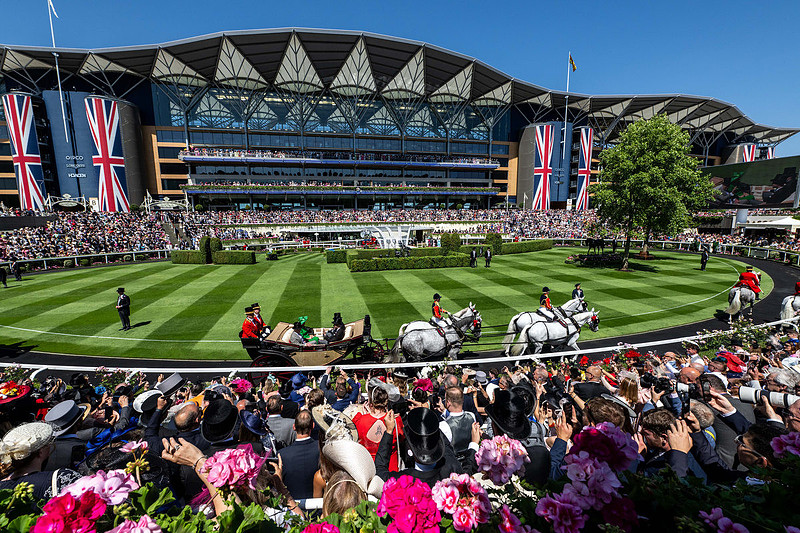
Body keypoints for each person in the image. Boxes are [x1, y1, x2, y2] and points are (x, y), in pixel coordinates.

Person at [277, 411, 319, 500]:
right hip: (318, 506)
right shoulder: (321, 449)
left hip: (292, 506)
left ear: (294, 427)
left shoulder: (282, 455)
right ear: (313, 426)